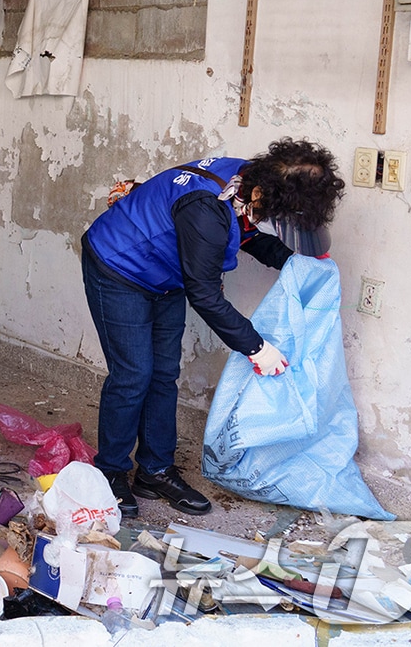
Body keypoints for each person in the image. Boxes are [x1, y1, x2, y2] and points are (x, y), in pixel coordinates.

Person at [81, 139, 345, 516]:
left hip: (164, 273)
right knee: (132, 375)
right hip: (118, 266)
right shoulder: (206, 207)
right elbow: (204, 294)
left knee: (162, 374)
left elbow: (246, 234)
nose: (270, 220)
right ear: (258, 193)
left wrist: (297, 263)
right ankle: (110, 473)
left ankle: (155, 470)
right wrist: (257, 348)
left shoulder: (247, 181)